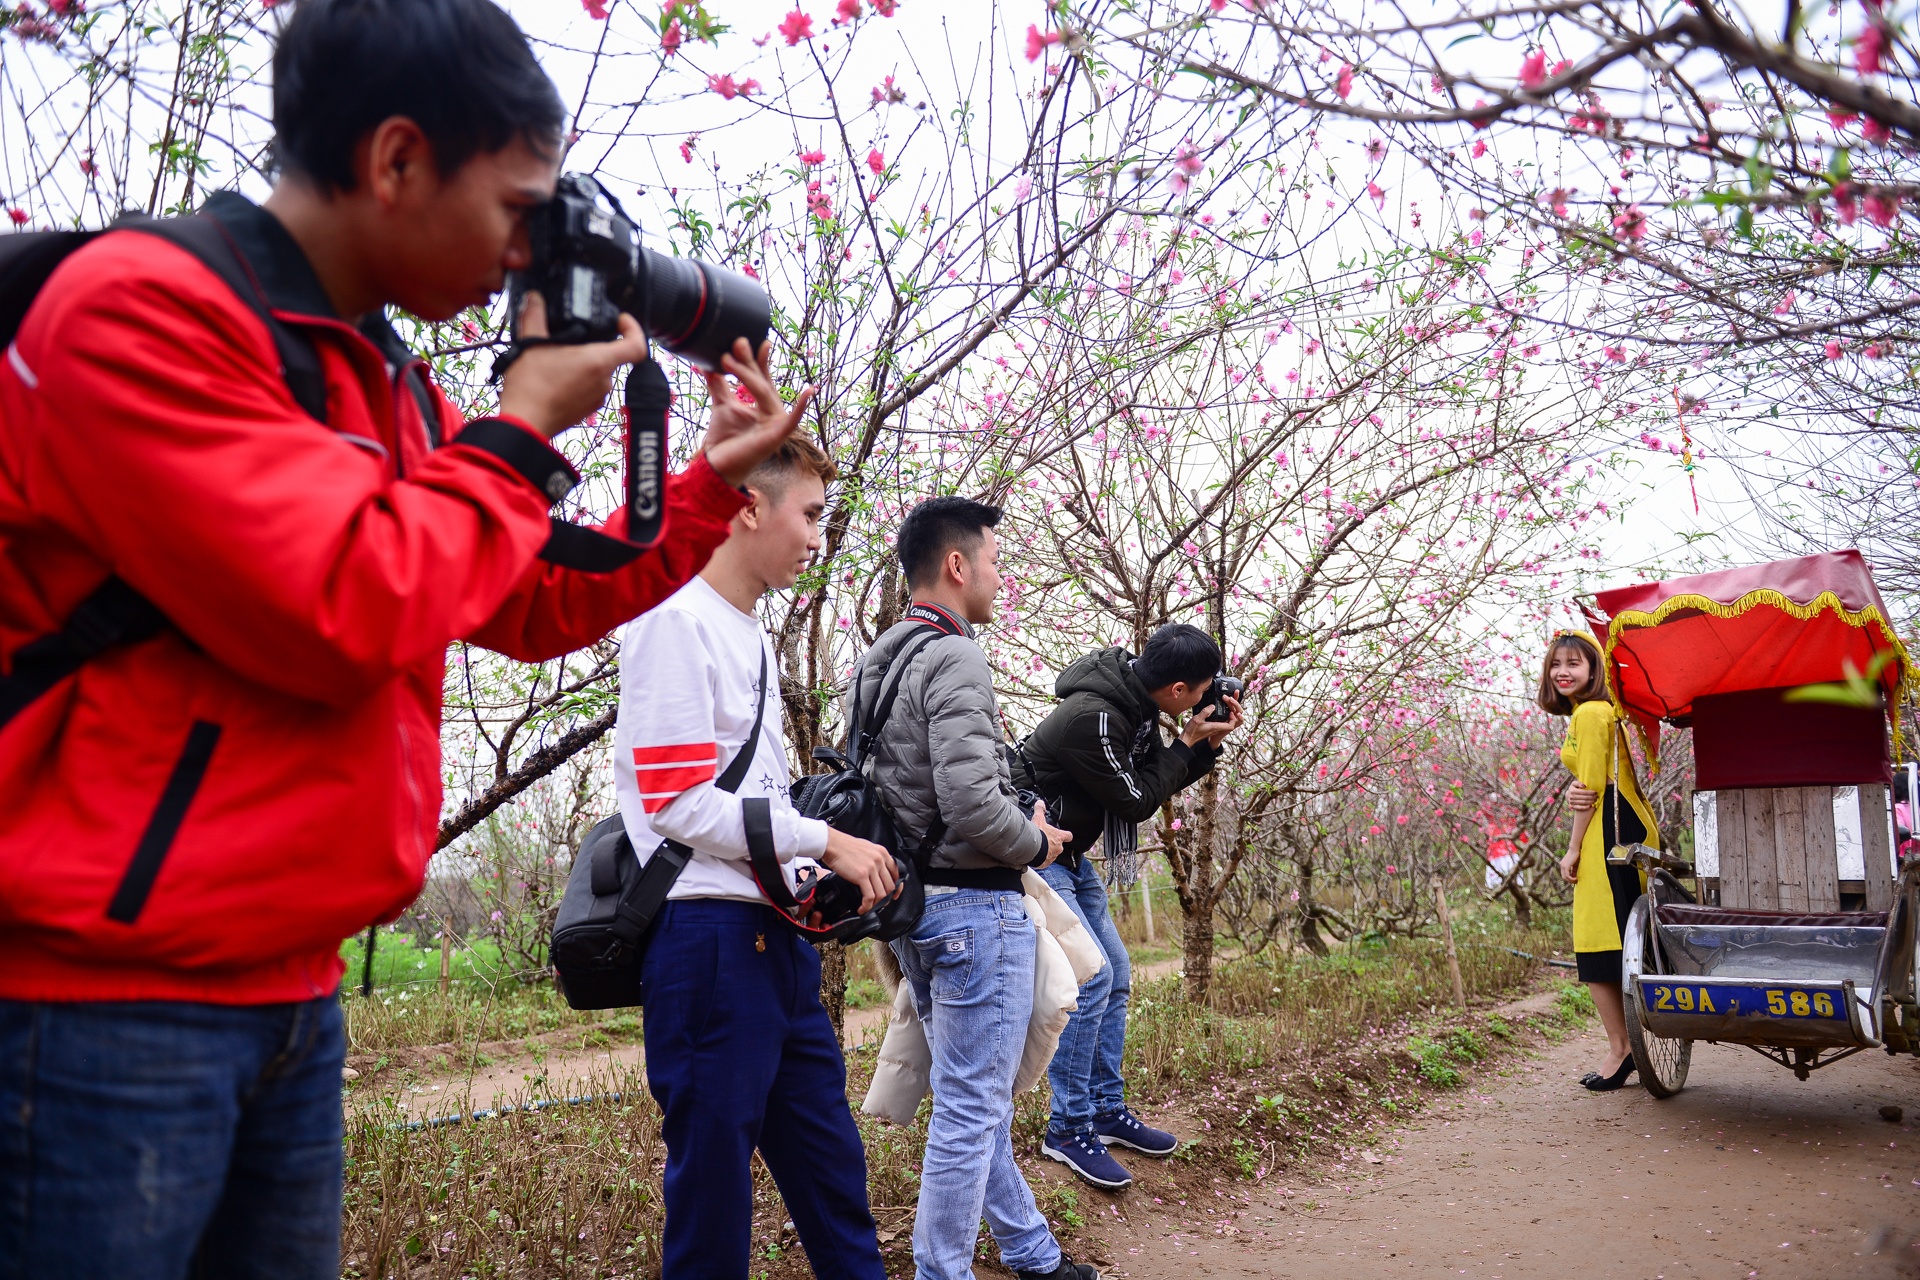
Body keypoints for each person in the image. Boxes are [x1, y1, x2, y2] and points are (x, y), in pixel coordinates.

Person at [0, 2, 807, 1274]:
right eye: (515, 208)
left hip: (289, 994)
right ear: (394, 160)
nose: (524, 255)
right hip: (96, 1002)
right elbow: (344, 606)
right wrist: (526, 423)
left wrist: (702, 486)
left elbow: (526, 598)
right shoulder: (139, 314)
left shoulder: (384, 382)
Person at [613, 435, 896, 1278]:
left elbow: (751, 803)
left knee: (833, 1175)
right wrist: (825, 840)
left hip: (774, 949)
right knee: (712, 1204)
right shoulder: (674, 620)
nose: (816, 536)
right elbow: (676, 802)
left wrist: (811, 880)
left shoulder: (752, 638)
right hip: (707, 948)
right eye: (808, 514)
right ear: (748, 508)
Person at [854, 495, 1097, 1280]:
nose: (1000, 575)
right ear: (956, 566)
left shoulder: (881, 657)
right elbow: (967, 804)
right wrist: (1039, 839)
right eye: (994, 560)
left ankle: (1030, 1251)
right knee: (970, 1109)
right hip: (974, 907)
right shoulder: (956, 655)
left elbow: (912, 788)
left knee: (970, 1096)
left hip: (914, 906)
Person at [1017, 624, 1241, 1188]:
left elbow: (1147, 777)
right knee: (1089, 980)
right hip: (1040, 857)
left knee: (1114, 975)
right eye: (1202, 689)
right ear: (1178, 688)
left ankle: (1103, 1110)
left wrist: (1202, 746)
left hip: (1072, 855)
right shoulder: (1094, 718)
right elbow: (1139, 799)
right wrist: (1187, 744)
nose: (1205, 698)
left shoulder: (1133, 705)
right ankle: (1066, 1128)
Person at [1538, 629, 1659, 1092]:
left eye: (1574, 664)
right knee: (1612, 935)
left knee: (1599, 938)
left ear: (1594, 671)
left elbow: (1587, 791)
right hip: (1621, 824)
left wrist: (1571, 849)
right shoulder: (1596, 713)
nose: (1563, 672)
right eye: (1556, 665)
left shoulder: (1590, 713)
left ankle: (1622, 1047)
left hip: (1609, 829)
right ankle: (1628, 1044)